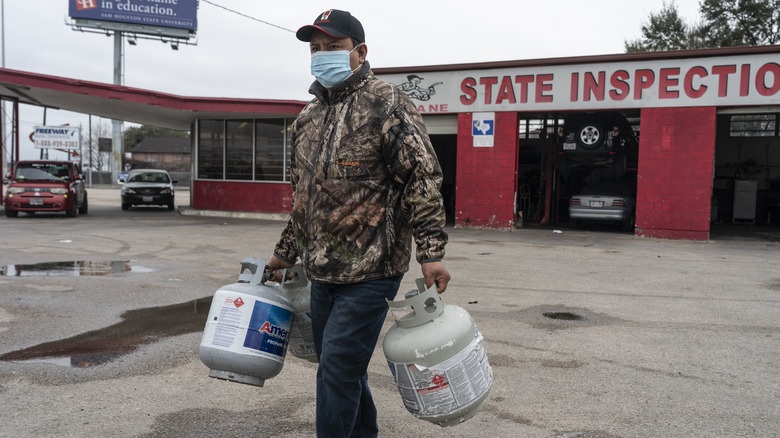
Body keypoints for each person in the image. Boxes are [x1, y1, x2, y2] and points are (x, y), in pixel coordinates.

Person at [264, 9, 450, 438]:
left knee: (335, 370)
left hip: (372, 270)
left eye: (334, 47)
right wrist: (282, 255)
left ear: (359, 51)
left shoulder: (387, 103)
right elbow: (303, 201)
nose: (322, 55)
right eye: (315, 49)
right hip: (322, 272)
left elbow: (421, 178)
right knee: (343, 368)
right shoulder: (307, 120)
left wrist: (431, 254)